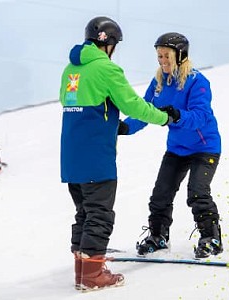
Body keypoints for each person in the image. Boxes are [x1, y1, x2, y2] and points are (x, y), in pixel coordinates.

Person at [59, 17, 178, 291]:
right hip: (96, 155)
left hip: (71, 155)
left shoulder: (70, 70)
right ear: (108, 43)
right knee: (99, 214)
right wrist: (163, 118)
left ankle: (83, 269)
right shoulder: (106, 69)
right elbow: (132, 105)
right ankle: (92, 277)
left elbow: (70, 103)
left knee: (84, 213)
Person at [119, 32, 223, 259]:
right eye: (159, 56)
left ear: (180, 54)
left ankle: (211, 238)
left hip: (204, 148)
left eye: (167, 56)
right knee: (160, 195)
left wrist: (177, 115)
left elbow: (201, 116)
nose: (163, 61)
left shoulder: (197, 81)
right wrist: (125, 128)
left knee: (197, 192)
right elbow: (144, 111)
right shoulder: (158, 83)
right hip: (177, 148)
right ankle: (158, 236)